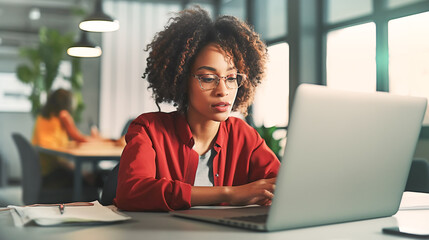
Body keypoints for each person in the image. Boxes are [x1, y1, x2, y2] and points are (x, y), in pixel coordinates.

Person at [114, 6, 281, 212]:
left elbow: (283, 186)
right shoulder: (149, 129)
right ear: (183, 81)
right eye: (208, 78)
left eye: (231, 78)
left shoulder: (244, 136)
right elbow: (131, 191)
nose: (223, 90)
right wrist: (229, 193)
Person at [32, 88, 107, 190]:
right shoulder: (54, 122)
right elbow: (57, 158)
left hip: (45, 173)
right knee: (95, 181)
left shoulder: (46, 118)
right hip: (49, 176)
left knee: (96, 178)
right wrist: (82, 173)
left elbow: (64, 144)